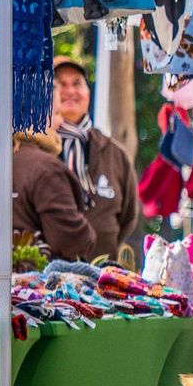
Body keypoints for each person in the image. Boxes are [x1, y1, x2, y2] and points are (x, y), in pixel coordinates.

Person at [51, 56, 139, 264]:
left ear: (88, 94)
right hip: (46, 283)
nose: (70, 91)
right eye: (60, 84)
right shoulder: (36, 150)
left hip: (103, 280)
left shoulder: (113, 153)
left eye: (77, 83)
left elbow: (128, 216)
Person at [0, 124, 97, 262]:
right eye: (56, 113)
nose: (61, 121)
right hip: (32, 279)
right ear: (35, 115)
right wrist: (88, 236)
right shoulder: (46, 168)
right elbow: (72, 241)